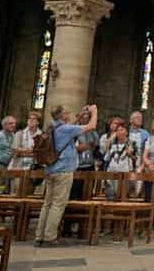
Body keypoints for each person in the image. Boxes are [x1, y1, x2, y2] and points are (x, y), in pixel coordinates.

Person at [35, 104, 98, 247]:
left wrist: (80, 116)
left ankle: (40, 236)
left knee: (47, 204)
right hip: (63, 170)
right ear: (62, 115)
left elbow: (71, 126)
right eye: (67, 112)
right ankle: (49, 237)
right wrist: (94, 111)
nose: (69, 114)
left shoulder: (52, 127)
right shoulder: (65, 129)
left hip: (51, 169)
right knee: (58, 204)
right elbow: (91, 126)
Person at [104, 122, 137, 200]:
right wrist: (108, 143)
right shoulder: (112, 143)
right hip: (111, 173)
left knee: (123, 197)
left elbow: (136, 159)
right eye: (117, 130)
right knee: (110, 197)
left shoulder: (132, 143)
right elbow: (106, 158)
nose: (119, 132)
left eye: (122, 130)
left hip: (125, 174)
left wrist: (130, 154)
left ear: (126, 132)